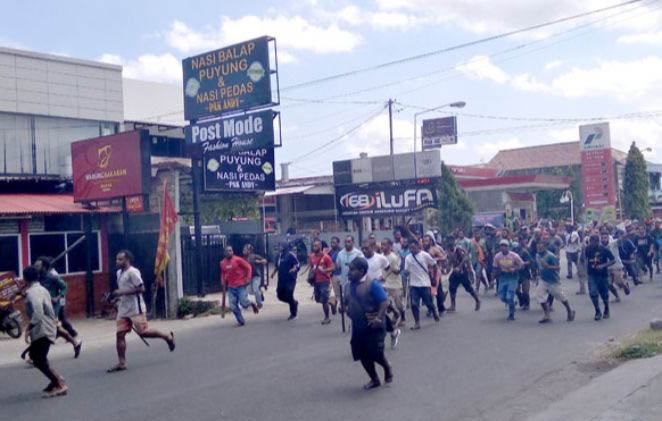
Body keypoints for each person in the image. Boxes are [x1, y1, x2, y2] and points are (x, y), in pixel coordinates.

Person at [108, 250, 175, 373]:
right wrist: (116, 298)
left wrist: (122, 292)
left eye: (120, 259)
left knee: (143, 332)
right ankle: (122, 362)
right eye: (117, 259)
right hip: (123, 309)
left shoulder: (133, 272)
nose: (117, 262)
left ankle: (167, 336)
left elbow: (141, 288)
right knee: (120, 334)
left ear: (127, 259)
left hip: (136, 308)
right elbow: (122, 289)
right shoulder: (119, 273)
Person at [346, 257, 393, 390]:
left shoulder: (372, 284)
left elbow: (384, 302)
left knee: (376, 353)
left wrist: (378, 318)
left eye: (352, 270)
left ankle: (387, 367)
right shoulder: (349, 285)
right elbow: (347, 300)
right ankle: (374, 379)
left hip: (374, 324)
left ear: (361, 271)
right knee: (362, 354)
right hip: (358, 325)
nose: (349, 272)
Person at [22, 265, 68, 398]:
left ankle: (59, 384)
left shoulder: (33, 293)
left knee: (38, 359)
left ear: (25, 278)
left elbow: (38, 312)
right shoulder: (41, 289)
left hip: (43, 329)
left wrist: (28, 328)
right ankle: (56, 380)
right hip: (47, 327)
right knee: (37, 357)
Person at [34, 257, 82, 358]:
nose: (36, 267)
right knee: (55, 330)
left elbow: (64, 287)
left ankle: (36, 356)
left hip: (53, 309)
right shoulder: (38, 278)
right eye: (35, 266)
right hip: (43, 308)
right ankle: (75, 343)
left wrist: (58, 297)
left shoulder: (52, 277)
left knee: (46, 330)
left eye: (38, 266)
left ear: (44, 266)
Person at [362, 239, 400, 346]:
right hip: (365, 290)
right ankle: (392, 331)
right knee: (368, 313)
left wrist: (383, 276)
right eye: (363, 249)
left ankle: (388, 333)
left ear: (373, 247)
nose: (365, 251)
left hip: (378, 288)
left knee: (379, 312)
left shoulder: (380, 258)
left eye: (367, 248)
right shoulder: (361, 259)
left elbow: (389, 268)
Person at [535, 241, 575, 324]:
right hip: (543, 279)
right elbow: (538, 267)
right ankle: (547, 315)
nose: (539, 249)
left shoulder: (550, 256)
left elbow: (558, 267)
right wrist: (537, 276)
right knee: (539, 295)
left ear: (545, 247)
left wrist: (548, 266)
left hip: (552, 280)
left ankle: (570, 310)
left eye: (541, 247)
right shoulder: (537, 255)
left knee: (559, 295)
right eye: (538, 247)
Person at [405, 238, 439, 329]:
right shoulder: (408, 258)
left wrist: (434, 277)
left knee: (428, 302)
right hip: (414, 284)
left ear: (418, 246)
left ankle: (434, 311)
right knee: (414, 304)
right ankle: (417, 322)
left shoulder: (425, 255)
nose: (411, 250)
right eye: (410, 248)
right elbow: (406, 270)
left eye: (413, 247)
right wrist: (406, 273)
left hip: (424, 283)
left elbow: (434, 265)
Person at [221, 246, 259, 327]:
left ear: (232, 252)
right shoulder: (222, 263)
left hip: (241, 285)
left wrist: (248, 278)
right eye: (227, 251)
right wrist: (223, 281)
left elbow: (248, 267)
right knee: (233, 306)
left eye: (230, 251)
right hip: (231, 287)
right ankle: (241, 321)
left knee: (244, 303)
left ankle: (252, 303)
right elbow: (223, 272)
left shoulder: (238, 260)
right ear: (224, 253)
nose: (229, 252)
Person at [585, 234, 616, 321]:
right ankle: (597, 311)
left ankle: (606, 308)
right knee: (593, 293)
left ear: (598, 242)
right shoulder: (588, 249)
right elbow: (584, 259)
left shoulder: (604, 249)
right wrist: (583, 270)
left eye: (594, 242)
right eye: (591, 242)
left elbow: (613, 260)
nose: (592, 244)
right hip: (591, 274)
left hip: (602, 275)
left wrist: (603, 265)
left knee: (604, 294)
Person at [493, 240, 524, 321]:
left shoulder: (514, 256)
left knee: (510, 296)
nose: (503, 248)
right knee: (502, 296)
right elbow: (495, 267)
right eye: (502, 246)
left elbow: (522, 265)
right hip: (503, 277)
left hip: (513, 277)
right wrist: (492, 279)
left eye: (505, 246)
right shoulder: (497, 256)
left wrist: (514, 269)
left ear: (508, 247)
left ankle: (511, 314)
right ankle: (512, 303)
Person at [308, 239, 335, 325]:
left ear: (320, 246)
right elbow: (312, 266)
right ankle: (332, 302)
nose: (314, 247)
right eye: (313, 246)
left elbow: (332, 267)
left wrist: (324, 270)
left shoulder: (326, 257)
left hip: (325, 280)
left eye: (316, 246)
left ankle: (326, 317)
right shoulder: (311, 256)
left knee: (323, 300)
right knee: (318, 299)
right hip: (316, 281)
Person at [447, 244, 481, 313]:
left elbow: (465, 259)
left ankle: (477, 300)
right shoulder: (449, 251)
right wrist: (448, 267)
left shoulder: (458, 249)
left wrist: (460, 267)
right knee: (452, 287)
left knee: (468, 288)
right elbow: (451, 261)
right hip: (455, 272)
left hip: (463, 271)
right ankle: (453, 305)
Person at [271, 241, 300, 321]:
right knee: (280, 295)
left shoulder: (290, 255)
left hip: (290, 279)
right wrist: (273, 273)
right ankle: (294, 303)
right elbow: (277, 266)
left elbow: (297, 264)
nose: (279, 247)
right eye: (279, 245)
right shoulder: (278, 256)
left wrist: (294, 269)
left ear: (285, 246)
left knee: (289, 294)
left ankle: (293, 314)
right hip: (281, 279)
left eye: (281, 245)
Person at [381, 238, 406, 330]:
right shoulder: (381, 256)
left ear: (389, 246)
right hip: (384, 284)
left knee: (399, 304)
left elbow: (397, 271)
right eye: (382, 244)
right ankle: (395, 313)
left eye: (384, 244)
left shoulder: (393, 257)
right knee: (384, 301)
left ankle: (403, 318)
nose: (382, 246)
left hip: (395, 284)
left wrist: (391, 269)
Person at [603, 232, 630, 302]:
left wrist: (624, 235)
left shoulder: (613, 243)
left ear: (608, 238)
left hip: (616, 265)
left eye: (605, 238)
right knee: (609, 284)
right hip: (607, 267)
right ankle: (617, 297)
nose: (603, 239)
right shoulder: (601, 247)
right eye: (602, 238)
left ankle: (624, 285)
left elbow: (619, 240)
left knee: (618, 281)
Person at [243, 244, 266, 309]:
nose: (243, 251)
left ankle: (259, 303)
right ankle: (260, 293)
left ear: (249, 250)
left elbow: (265, 261)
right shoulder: (243, 258)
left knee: (255, 289)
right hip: (248, 277)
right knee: (249, 291)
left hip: (256, 276)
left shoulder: (255, 256)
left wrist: (259, 261)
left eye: (245, 249)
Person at [328, 236, 342, 314]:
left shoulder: (342, 252)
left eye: (334, 242)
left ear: (338, 243)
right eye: (331, 242)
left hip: (341, 274)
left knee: (342, 292)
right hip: (333, 275)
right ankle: (336, 303)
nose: (332, 244)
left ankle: (338, 304)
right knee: (336, 292)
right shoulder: (330, 252)